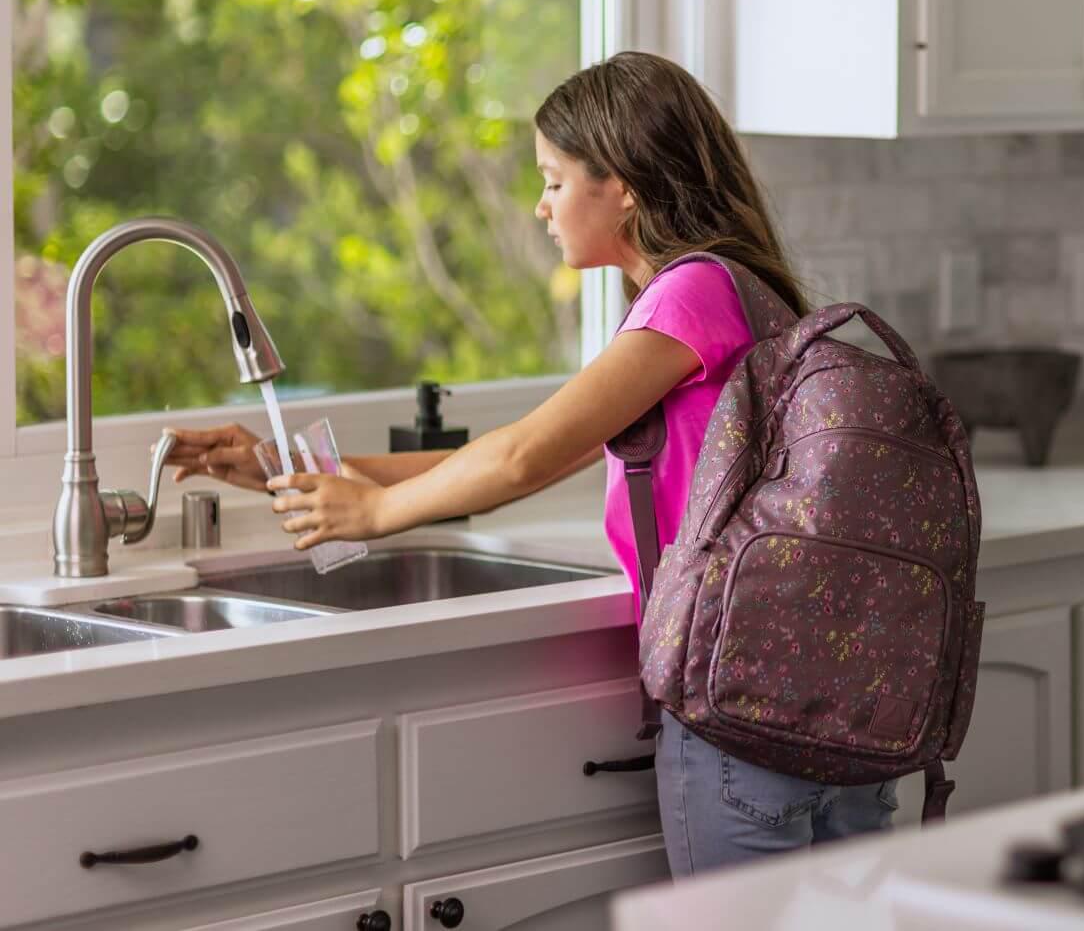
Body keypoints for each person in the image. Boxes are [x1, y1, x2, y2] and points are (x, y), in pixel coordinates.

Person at [165, 51, 900, 875]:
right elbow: (525, 454)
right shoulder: (738, 290)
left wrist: (369, 516)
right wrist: (278, 466)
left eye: (553, 180)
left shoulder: (689, 295)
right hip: (817, 706)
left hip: (738, 709)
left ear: (619, 183)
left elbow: (520, 457)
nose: (540, 206)